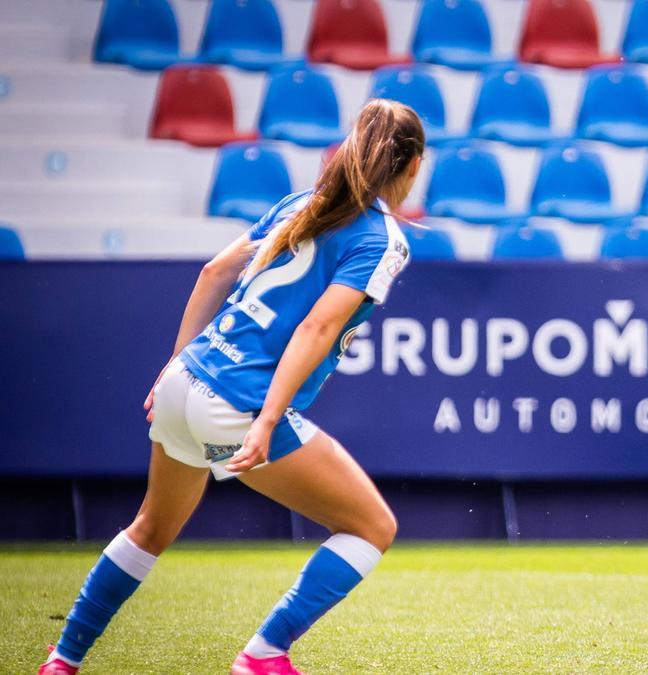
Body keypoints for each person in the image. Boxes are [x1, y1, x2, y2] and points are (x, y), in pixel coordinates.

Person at [39, 99, 424, 675]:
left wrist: (174, 365)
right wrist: (268, 419)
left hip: (186, 380)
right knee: (372, 528)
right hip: (238, 403)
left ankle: (62, 660)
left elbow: (212, 272)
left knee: (150, 527)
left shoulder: (303, 204)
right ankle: (263, 656)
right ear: (412, 164)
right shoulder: (383, 239)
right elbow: (318, 327)